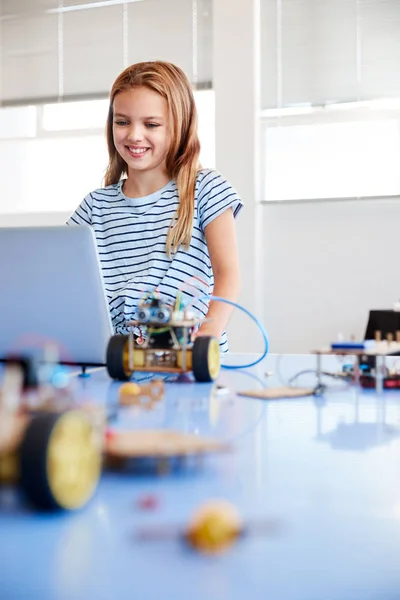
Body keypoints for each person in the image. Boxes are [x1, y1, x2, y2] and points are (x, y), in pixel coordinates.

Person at [67, 61, 243, 352]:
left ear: (179, 126)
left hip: (186, 362)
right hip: (117, 363)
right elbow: (65, 281)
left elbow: (229, 276)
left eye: (151, 124)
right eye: (122, 122)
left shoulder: (206, 189)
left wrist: (207, 337)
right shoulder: (94, 207)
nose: (134, 135)